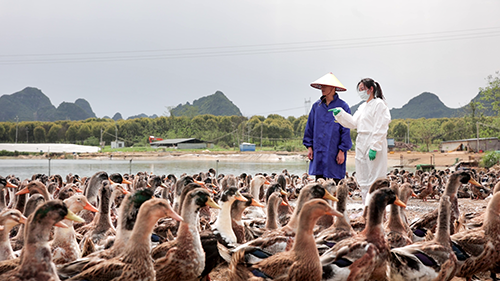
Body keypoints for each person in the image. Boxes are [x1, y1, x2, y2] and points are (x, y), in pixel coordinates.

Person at [331, 78, 391, 205]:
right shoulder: (363, 106)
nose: (361, 92)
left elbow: (381, 126)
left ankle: (376, 209)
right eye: (359, 90)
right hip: (361, 140)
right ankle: (366, 207)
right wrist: (340, 114)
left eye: (363, 89)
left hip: (372, 139)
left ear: (371, 89)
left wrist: (375, 146)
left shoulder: (379, 104)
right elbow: (353, 123)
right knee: (362, 176)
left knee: (375, 176)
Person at [303, 73, 352, 183]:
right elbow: (309, 127)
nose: (322, 89)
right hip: (318, 150)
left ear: (333, 88)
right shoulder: (317, 106)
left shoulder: (343, 106)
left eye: (325, 86)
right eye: (321, 86)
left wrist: (342, 151)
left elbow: (346, 130)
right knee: (319, 183)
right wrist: (309, 147)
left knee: (336, 182)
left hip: (334, 151)